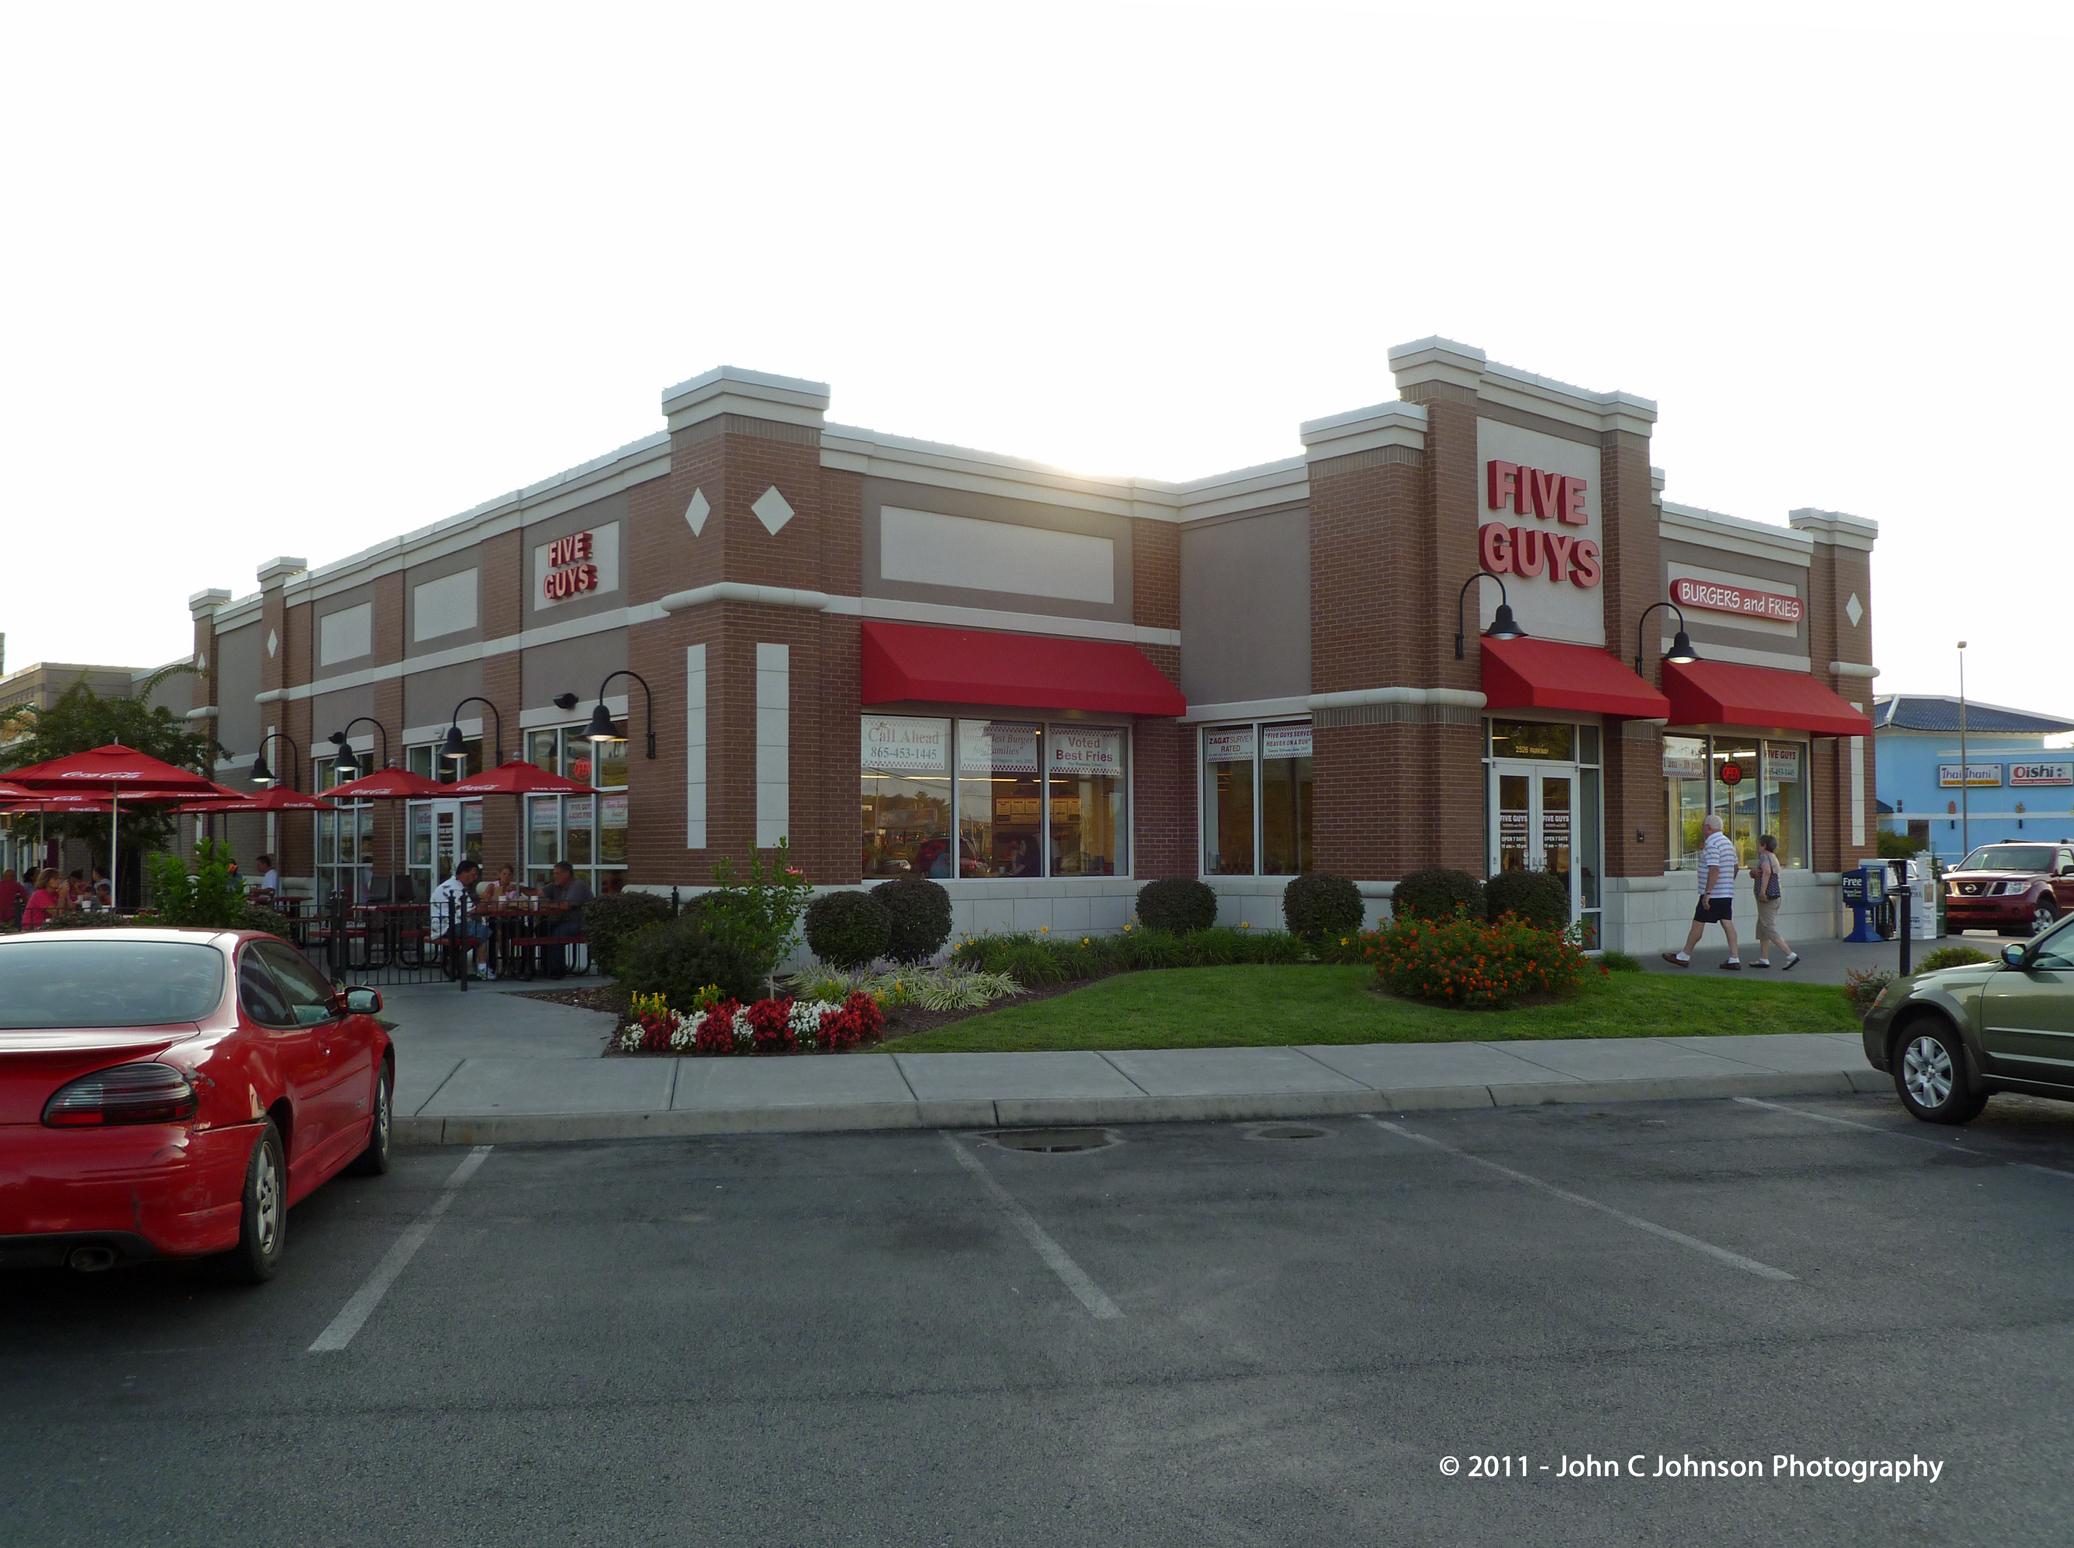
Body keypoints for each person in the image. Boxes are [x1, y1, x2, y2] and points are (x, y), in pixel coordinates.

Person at [1664, 813, 1741, 969]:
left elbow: (1714, 868)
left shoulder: (1712, 844)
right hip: (1726, 892)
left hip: (1713, 894)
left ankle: (1684, 955)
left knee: (1698, 923)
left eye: (1703, 826)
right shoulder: (1728, 843)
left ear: (1708, 828)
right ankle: (1734, 958)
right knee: (1727, 922)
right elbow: (1735, 867)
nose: (1702, 829)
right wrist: (1728, 883)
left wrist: (1708, 893)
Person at [431, 858, 496, 980]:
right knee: (481, 930)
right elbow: (473, 910)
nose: (475, 878)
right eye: (473, 875)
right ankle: (481, 967)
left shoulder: (452, 885)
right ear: (464, 873)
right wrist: (489, 904)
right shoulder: (454, 889)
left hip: (443, 925)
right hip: (447, 927)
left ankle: (458, 958)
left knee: (480, 929)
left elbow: (467, 910)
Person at [1748, 833, 1800, 970]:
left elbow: (1766, 872)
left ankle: (1790, 954)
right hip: (1775, 896)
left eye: (1759, 844)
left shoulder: (1764, 857)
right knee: (1762, 926)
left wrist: (1762, 892)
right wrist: (1753, 872)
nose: (1757, 847)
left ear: (1764, 845)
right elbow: (1761, 872)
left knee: (1768, 926)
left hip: (1768, 898)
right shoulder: (1773, 857)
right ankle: (1764, 958)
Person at [541, 860, 592, 978]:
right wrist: (520, 888)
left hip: (581, 921)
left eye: (557, 873)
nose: (555, 876)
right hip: (565, 920)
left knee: (557, 933)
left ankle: (556, 970)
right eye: (554, 873)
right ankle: (545, 966)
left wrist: (543, 905)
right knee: (542, 927)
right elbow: (539, 893)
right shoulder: (556, 886)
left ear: (567, 874)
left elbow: (566, 905)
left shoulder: (577, 885)